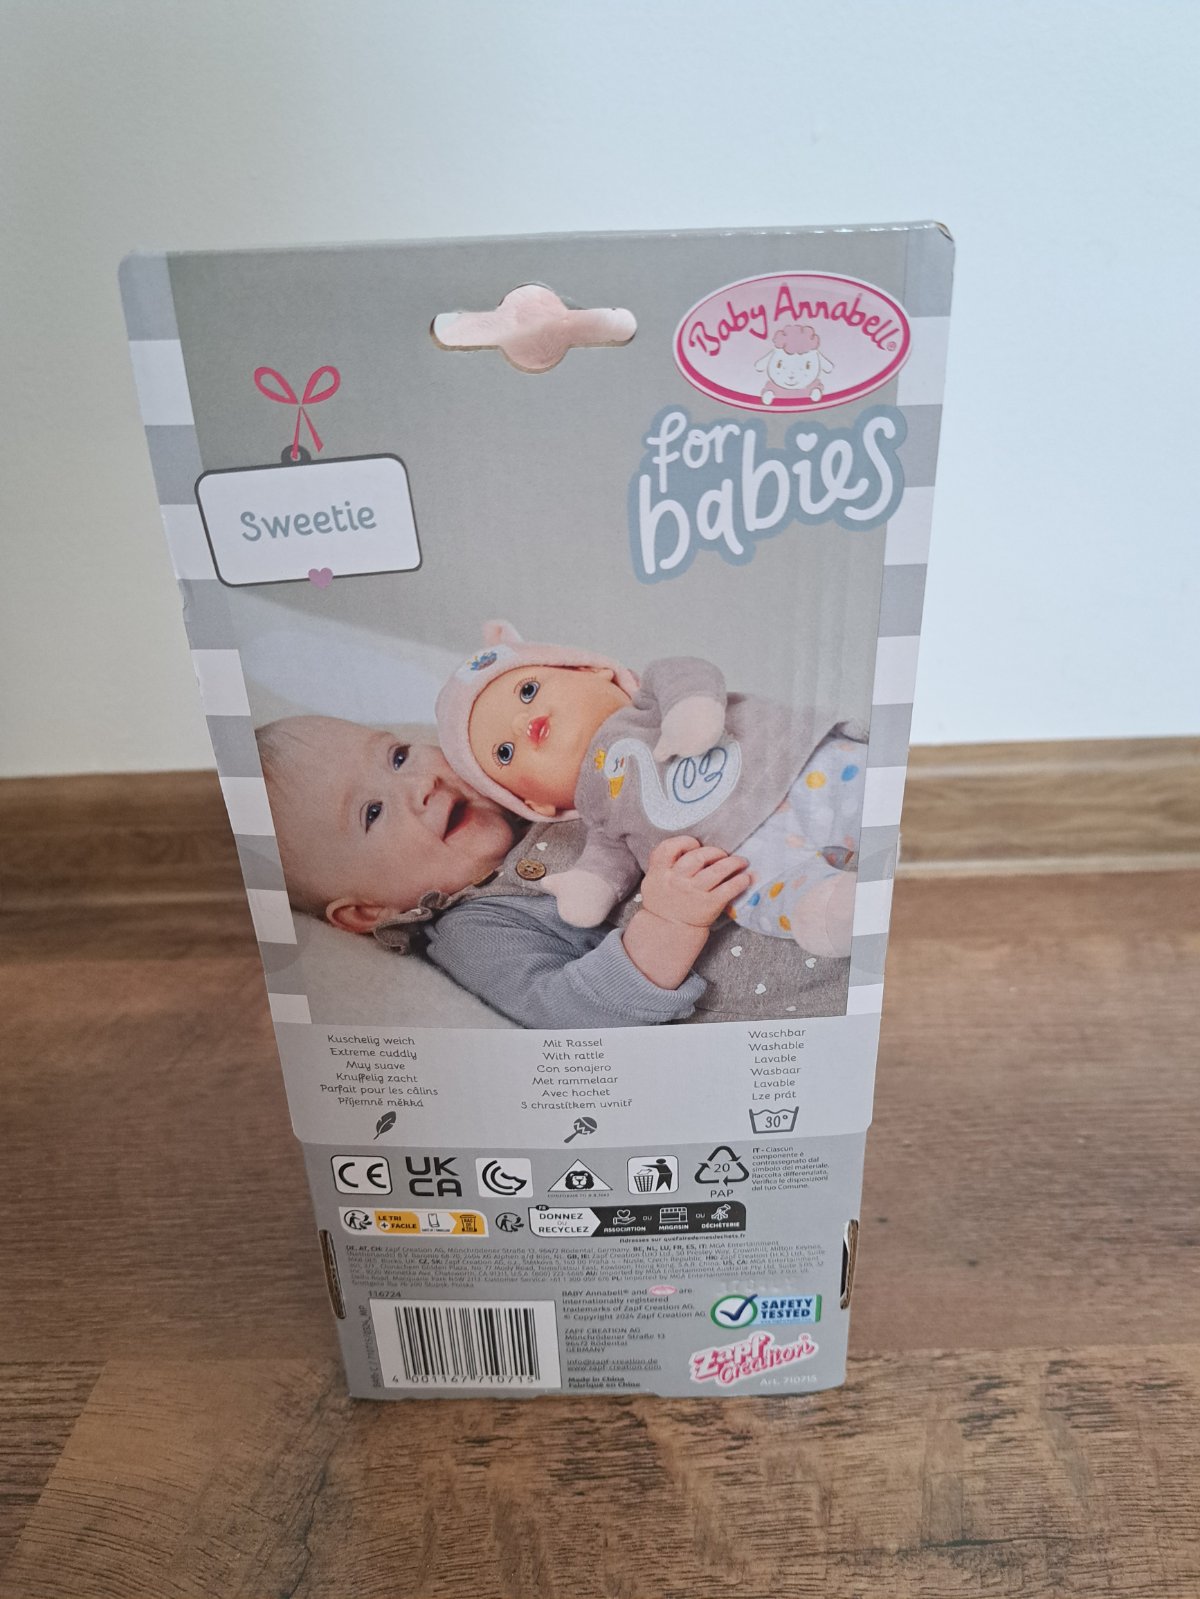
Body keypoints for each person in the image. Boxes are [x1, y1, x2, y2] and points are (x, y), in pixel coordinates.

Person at [254, 715, 758, 1029]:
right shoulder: (475, 928)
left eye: (399, 756)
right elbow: (567, 1012)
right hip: (764, 982)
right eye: (372, 812)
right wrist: (670, 923)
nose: (420, 783)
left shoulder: (532, 791)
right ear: (369, 911)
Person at [436, 621, 866, 956]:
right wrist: (589, 886)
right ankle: (827, 906)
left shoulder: (649, 703)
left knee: (859, 786)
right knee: (758, 895)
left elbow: (687, 671)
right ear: (537, 804)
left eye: (528, 691)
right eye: (505, 752)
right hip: (741, 858)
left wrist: (690, 708)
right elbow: (610, 858)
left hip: (792, 764)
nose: (520, 723)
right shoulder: (601, 816)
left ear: (594, 672)